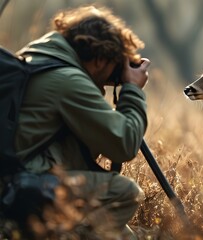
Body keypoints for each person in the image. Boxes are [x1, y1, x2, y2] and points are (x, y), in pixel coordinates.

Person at [13, 5, 149, 239]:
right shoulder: (67, 80)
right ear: (98, 59)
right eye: (114, 64)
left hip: (20, 180)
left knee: (125, 236)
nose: (113, 75)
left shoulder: (38, 59)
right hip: (20, 187)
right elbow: (124, 144)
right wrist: (132, 90)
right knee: (125, 192)